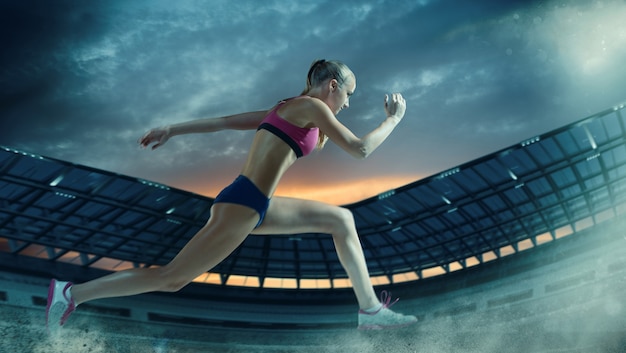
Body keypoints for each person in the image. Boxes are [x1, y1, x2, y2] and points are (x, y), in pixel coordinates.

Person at [46, 59, 418, 331]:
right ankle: (72, 294)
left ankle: (370, 312)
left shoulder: (286, 108)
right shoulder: (311, 106)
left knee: (341, 219)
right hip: (243, 203)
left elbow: (225, 121)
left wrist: (172, 129)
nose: (349, 104)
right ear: (332, 85)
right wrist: (394, 119)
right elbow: (360, 149)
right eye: (349, 94)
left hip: (253, 203)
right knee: (173, 277)